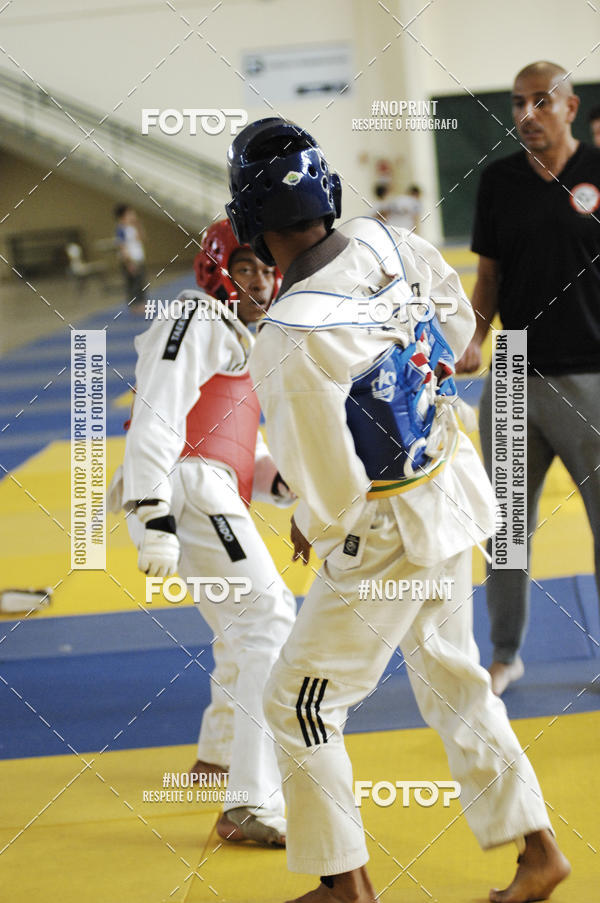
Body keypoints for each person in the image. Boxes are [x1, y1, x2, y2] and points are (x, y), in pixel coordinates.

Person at [226, 117, 571, 903]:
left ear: (249, 220)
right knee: (455, 680)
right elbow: (457, 336)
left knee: (298, 699)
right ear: (328, 193)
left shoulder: (287, 336)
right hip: (450, 487)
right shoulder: (389, 240)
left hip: (388, 530)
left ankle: (346, 883)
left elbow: (335, 490)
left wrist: (308, 520)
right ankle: (538, 850)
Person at [109, 219, 296, 845]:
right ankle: (250, 803)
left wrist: (281, 482)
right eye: (247, 268)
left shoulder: (235, 335)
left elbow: (239, 439)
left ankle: (217, 758)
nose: (263, 281)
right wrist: (150, 518)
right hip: (190, 487)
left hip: (208, 483)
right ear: (217, 271)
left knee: (239, 635)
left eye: (269, 269)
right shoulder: (194, 319)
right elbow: (156, 416)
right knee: (268, 622)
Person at [457, 61, 600, 697]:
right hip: (512, 372)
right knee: (506, 524)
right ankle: (505, 653)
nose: (527, 113)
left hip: (589, 371)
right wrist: (474, 339)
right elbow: (486, 278)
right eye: (518, 102)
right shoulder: (499, 182)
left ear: (570, 108)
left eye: (542, 101)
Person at [114, 204, 148, 307]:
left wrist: (138, 225)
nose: (133, 215)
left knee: (141, 282)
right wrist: (129, 263)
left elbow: (143, 238)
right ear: (123, 215)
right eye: (130, 213)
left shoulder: (133, 227)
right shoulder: (121, 229)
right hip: (130, 259)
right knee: (133, 284)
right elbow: (122, 246)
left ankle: (142, 303)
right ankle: (135, 305)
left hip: (138, 257)